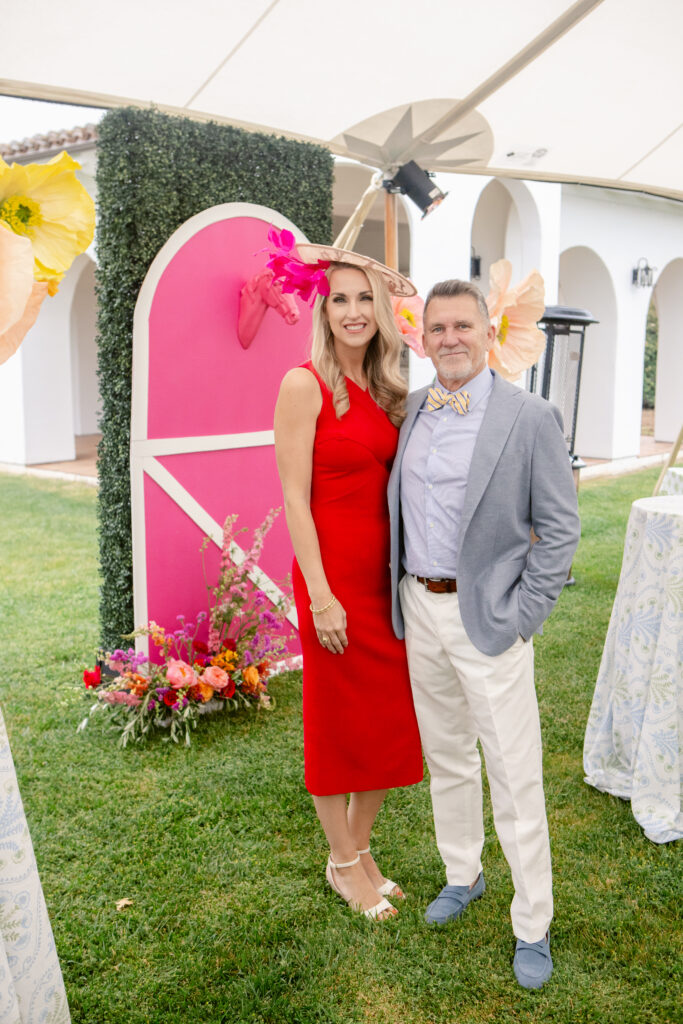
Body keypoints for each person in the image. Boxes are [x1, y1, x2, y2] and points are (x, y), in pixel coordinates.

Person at [388, 279, 580, 985]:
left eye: (462, 325)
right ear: (423, 337)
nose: (449, 339)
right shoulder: (411, 412)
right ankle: (461, 873)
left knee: (513, 774)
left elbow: (559, 527)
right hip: (420, 607)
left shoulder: (528, 416)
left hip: (489, 618)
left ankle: (532, 923)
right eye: (436, 328)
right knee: (447, 756)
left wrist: (523, 613)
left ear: (487, 332)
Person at [274, 243, 423, 921]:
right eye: (340, 298)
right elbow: (293, 499)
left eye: (366, 298)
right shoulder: (302, 384)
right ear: (323, 309)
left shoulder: (389, 389)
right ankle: (342, 862)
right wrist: (322, 595)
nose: (354, 311)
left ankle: (357, 852)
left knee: (387, 719)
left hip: (381, 583)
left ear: (381, 311)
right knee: (337, 723)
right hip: (329, 582)